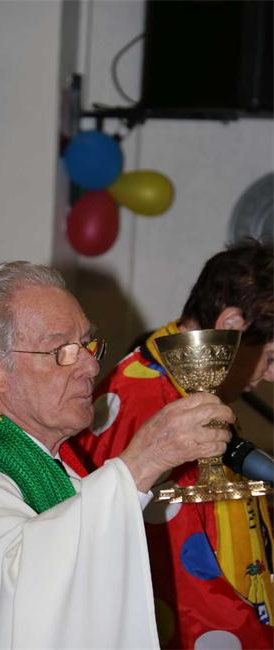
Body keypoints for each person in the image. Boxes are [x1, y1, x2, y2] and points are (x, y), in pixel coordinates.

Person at [0, 260, 234, 649]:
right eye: (61, 350)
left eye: (88, 345)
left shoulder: (54, 465)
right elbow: (15, 598)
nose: (90, 365)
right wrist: (142, 463)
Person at [72, 240, 274, 650]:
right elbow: (191, 592)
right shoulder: (159, 409)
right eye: (270, 357)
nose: (270, 376)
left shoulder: (168, 380)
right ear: (232, 324)